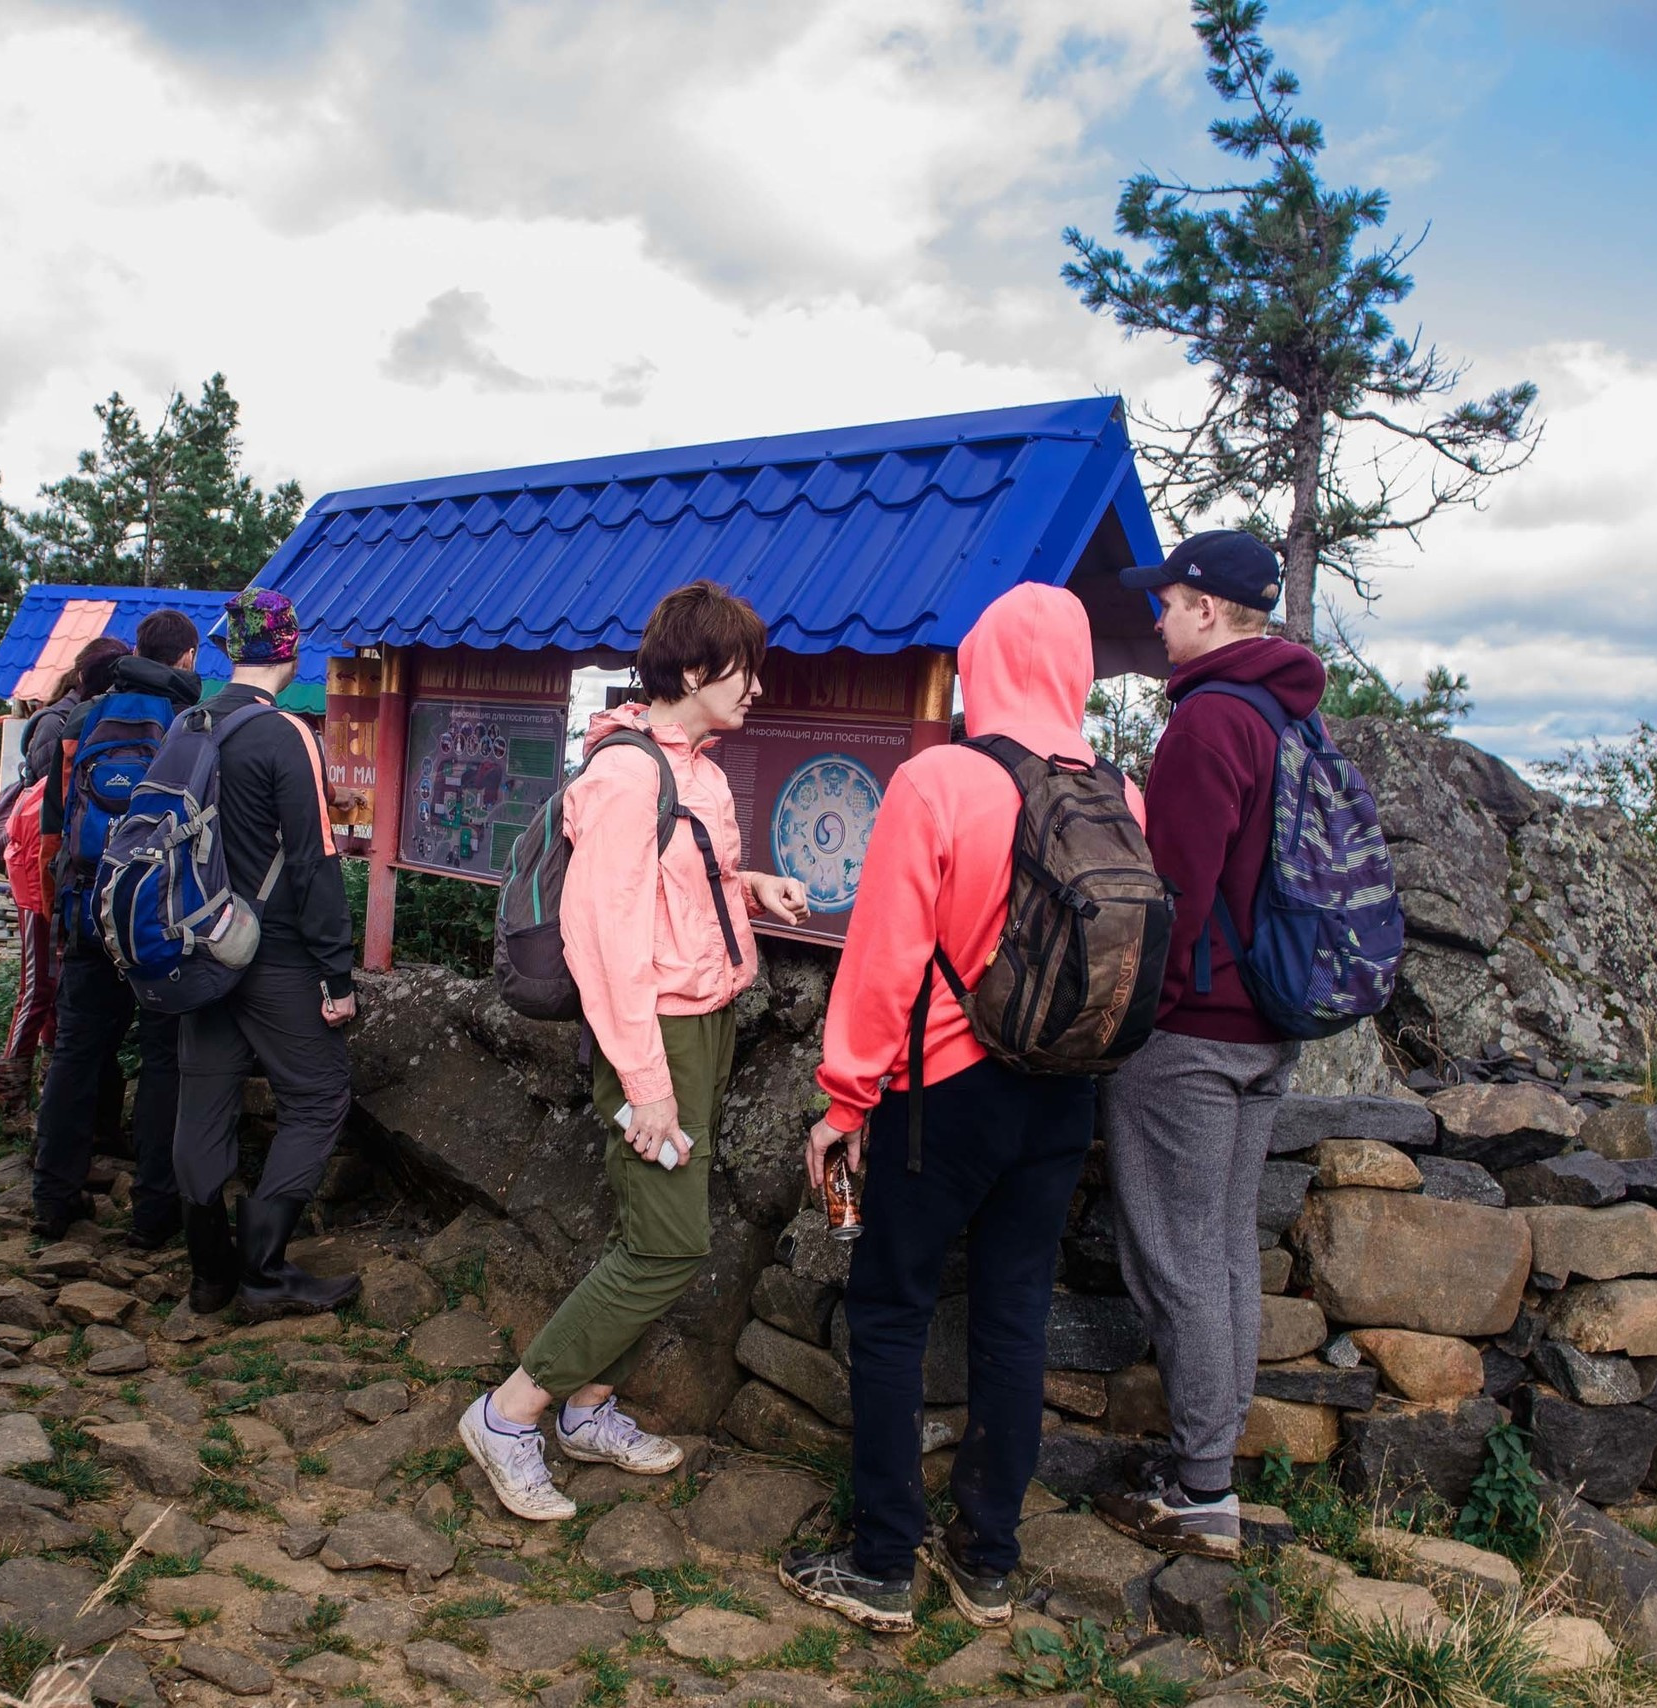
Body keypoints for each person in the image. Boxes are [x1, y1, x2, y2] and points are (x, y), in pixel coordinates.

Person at [778, 583, 1141, 1633]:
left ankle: (883, 1561)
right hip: (1062, 1094)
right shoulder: (1123, 793)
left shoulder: (941, 776)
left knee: (890, 1313)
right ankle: (988, 1559)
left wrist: (844, 1100)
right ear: (1073, 668)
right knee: (1013, 1318)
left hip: (943, 1094)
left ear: (981, 661)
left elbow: (886, 955)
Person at [461, 580, 810, 1523]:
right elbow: (605, 943)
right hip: (656, 1034)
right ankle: (508, 1413)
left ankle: (585, 1408)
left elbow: (681, 883)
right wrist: (647, 1085)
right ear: (694, 669)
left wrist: (750, 887)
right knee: (668, 1245)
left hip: (705, 1019)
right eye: (744, 670)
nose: (757, 690)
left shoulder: (687, 763)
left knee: (646, 1231)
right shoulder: (625, 778)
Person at [1087, 530, 1322, 1560]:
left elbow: (1172, 892)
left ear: (1213, 610)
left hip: (1193, 1030)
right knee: (1224, 1251)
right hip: (1271, 1018)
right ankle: (1207, 1469)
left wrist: (1141, 1012)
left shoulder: (1208, 723)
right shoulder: (1289, 713)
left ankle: (1200, 1492)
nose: (1157, 617)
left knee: (1179, 1260)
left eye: (1170, 601)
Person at [172, 588, 377, 1321]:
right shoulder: (286, 734)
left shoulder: (188, 725)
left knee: (203, 1104)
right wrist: (337, 974)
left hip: (198, 953)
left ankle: (208, 1276)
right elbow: (315, 865)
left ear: (230, 650)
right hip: (276, 955)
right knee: (319, 1097)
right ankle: (262, 1269)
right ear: (288, 651)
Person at [28, 614, 204, 1245]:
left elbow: (54, 829)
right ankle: (154, 1213)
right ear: (185, 658)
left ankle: (53, 1196)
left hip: (85, 911)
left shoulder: (82, 721)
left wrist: (61, 916)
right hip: (158, 922)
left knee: (77, 1056)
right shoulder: (193, 724)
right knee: (164, 1061)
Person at [0, 638, 128, 1137]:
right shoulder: (60, 722)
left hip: (57, 867)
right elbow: (56, 805)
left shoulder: (84, 716)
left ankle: (52, 1106)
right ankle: (13, 1104)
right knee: (38, 986)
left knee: (57, 986)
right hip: (37, 865)